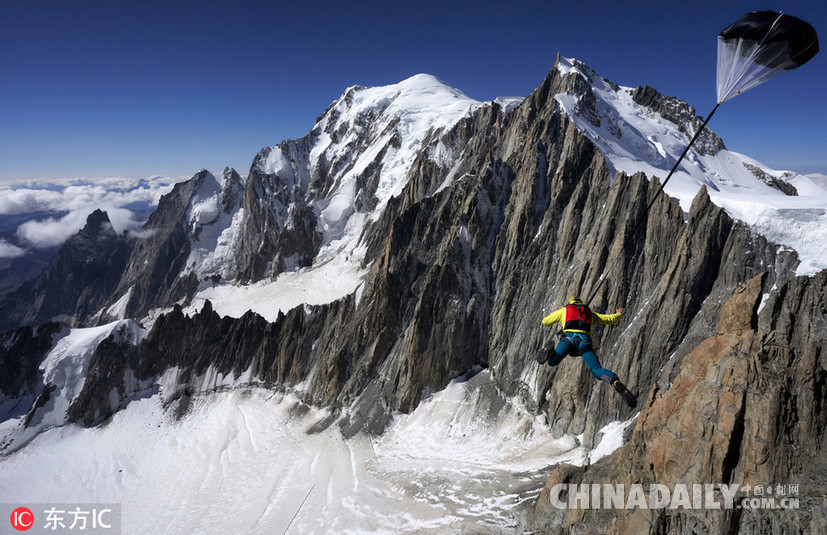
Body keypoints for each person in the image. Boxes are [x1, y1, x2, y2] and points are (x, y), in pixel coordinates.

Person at [538, 297, 637, 407]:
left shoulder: (565, 310)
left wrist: (563, 324)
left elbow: (545, 322)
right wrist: (619, 314)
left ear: (570, 303)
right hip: (584, 342)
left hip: (568, 340)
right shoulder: (589, 314)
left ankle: (551, 352)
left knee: (552, 361)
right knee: (596, 369)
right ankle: (613, 381)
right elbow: (609, 319)